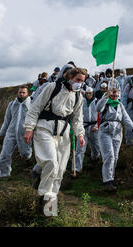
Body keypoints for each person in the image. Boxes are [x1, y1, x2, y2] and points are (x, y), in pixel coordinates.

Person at [23, 67, 86, 213]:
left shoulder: (78, 97)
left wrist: (80, 134)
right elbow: (35, 108)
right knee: (51, 162)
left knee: (60, 170)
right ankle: (42, 197)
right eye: (78, 80)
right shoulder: (52, 88)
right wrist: (29, 128)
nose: (80, 83)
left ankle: (50, 207)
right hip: (45, 127)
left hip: (63, 132)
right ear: (70, 77)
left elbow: (77, 119)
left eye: (82, 81)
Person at [96, 88, 133, 192]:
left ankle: (111, 177)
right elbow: (98, 108)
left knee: (115, 156)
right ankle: (107, 181)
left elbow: (126, 118)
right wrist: (105, 97)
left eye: (116, 96)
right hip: (105, 130)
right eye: (112, 96)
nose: (114, 98)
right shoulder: (104, 103)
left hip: (117, 131)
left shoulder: (120, 105)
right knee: (109, 155)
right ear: (109, 95)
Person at [0, 86, 32, 179]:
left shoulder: (31, 104)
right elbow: (7, 119)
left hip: (24, 133)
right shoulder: (12, 104)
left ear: (27, 93)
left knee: (26, 154)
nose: (21, 94)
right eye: (20, 92)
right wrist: (2, 132)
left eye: (23, 92)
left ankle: (28, 161)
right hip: (11, 132)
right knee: (5, 154)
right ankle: (4, 175)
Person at [72, 86, 100, 177]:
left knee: (96, 147)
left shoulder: (97, 102)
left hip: (94, 127)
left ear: (93, 93)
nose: (89, 95)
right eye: (87, 93)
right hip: (83, 126)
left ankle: (95, 160)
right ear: (85, 93)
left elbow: (101, 115)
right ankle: (76, 169)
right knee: (80, 148)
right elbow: (76, 113)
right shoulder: (81, 101)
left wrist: (97, 126)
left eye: (90, 93)